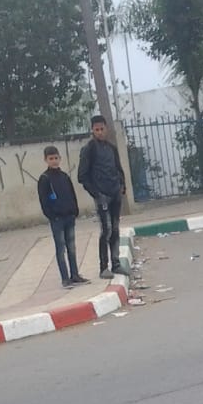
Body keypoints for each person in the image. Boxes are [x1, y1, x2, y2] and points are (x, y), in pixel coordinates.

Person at [77, 114, 126, 280]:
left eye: (102, 129)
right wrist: (96, 194)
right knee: (106, 230)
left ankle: (116, 263)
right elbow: (82, 176)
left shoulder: (112, 148)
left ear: (106, 129)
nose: (100, 132)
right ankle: (103, 267)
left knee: (116, 229)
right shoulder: (89, 149)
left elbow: (118, 168)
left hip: (115, 194)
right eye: (96, 130)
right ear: (92, 130)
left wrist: (122, 186)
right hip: (102, 196)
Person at [38, 145, 87, 288]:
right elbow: (43, 200)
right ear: (46, 160)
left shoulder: (64, 176)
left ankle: (75, 275)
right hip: (57, 219)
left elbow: (72, 194)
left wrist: (74, 210)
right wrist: (52, 216)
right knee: (61, 249)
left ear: (60, 158)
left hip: (69, 217)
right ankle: (65, 278)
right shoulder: (45, 179)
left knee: (72, 247)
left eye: (56, 158)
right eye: (51, 158)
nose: (54, 161)